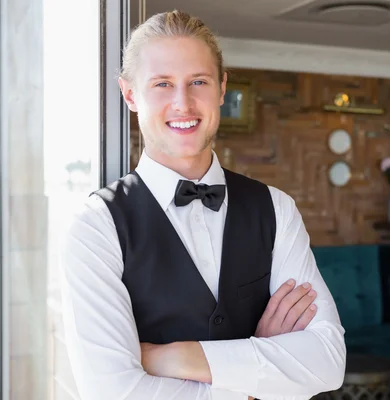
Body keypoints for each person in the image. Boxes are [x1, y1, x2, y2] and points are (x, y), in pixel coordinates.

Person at [59, 9, 346, 400]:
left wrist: (169, 358)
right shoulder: (95, 226)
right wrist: (251, 379)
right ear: (130, 95)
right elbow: (113, 391)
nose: (183, 103)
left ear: (222, 89)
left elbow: (327, 362)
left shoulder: (276, 209)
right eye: (162, 84)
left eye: (199, 81)